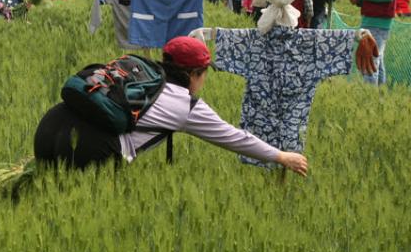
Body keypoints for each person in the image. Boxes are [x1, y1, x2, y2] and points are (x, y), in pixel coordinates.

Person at [33, 36, 309, 175]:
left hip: (49, 126)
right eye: (204, 74)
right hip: (91, 148)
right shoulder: (184, 105)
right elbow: (234, 137)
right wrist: (280, 156)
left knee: (46, 195)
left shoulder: (141, 71)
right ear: (194, 74)